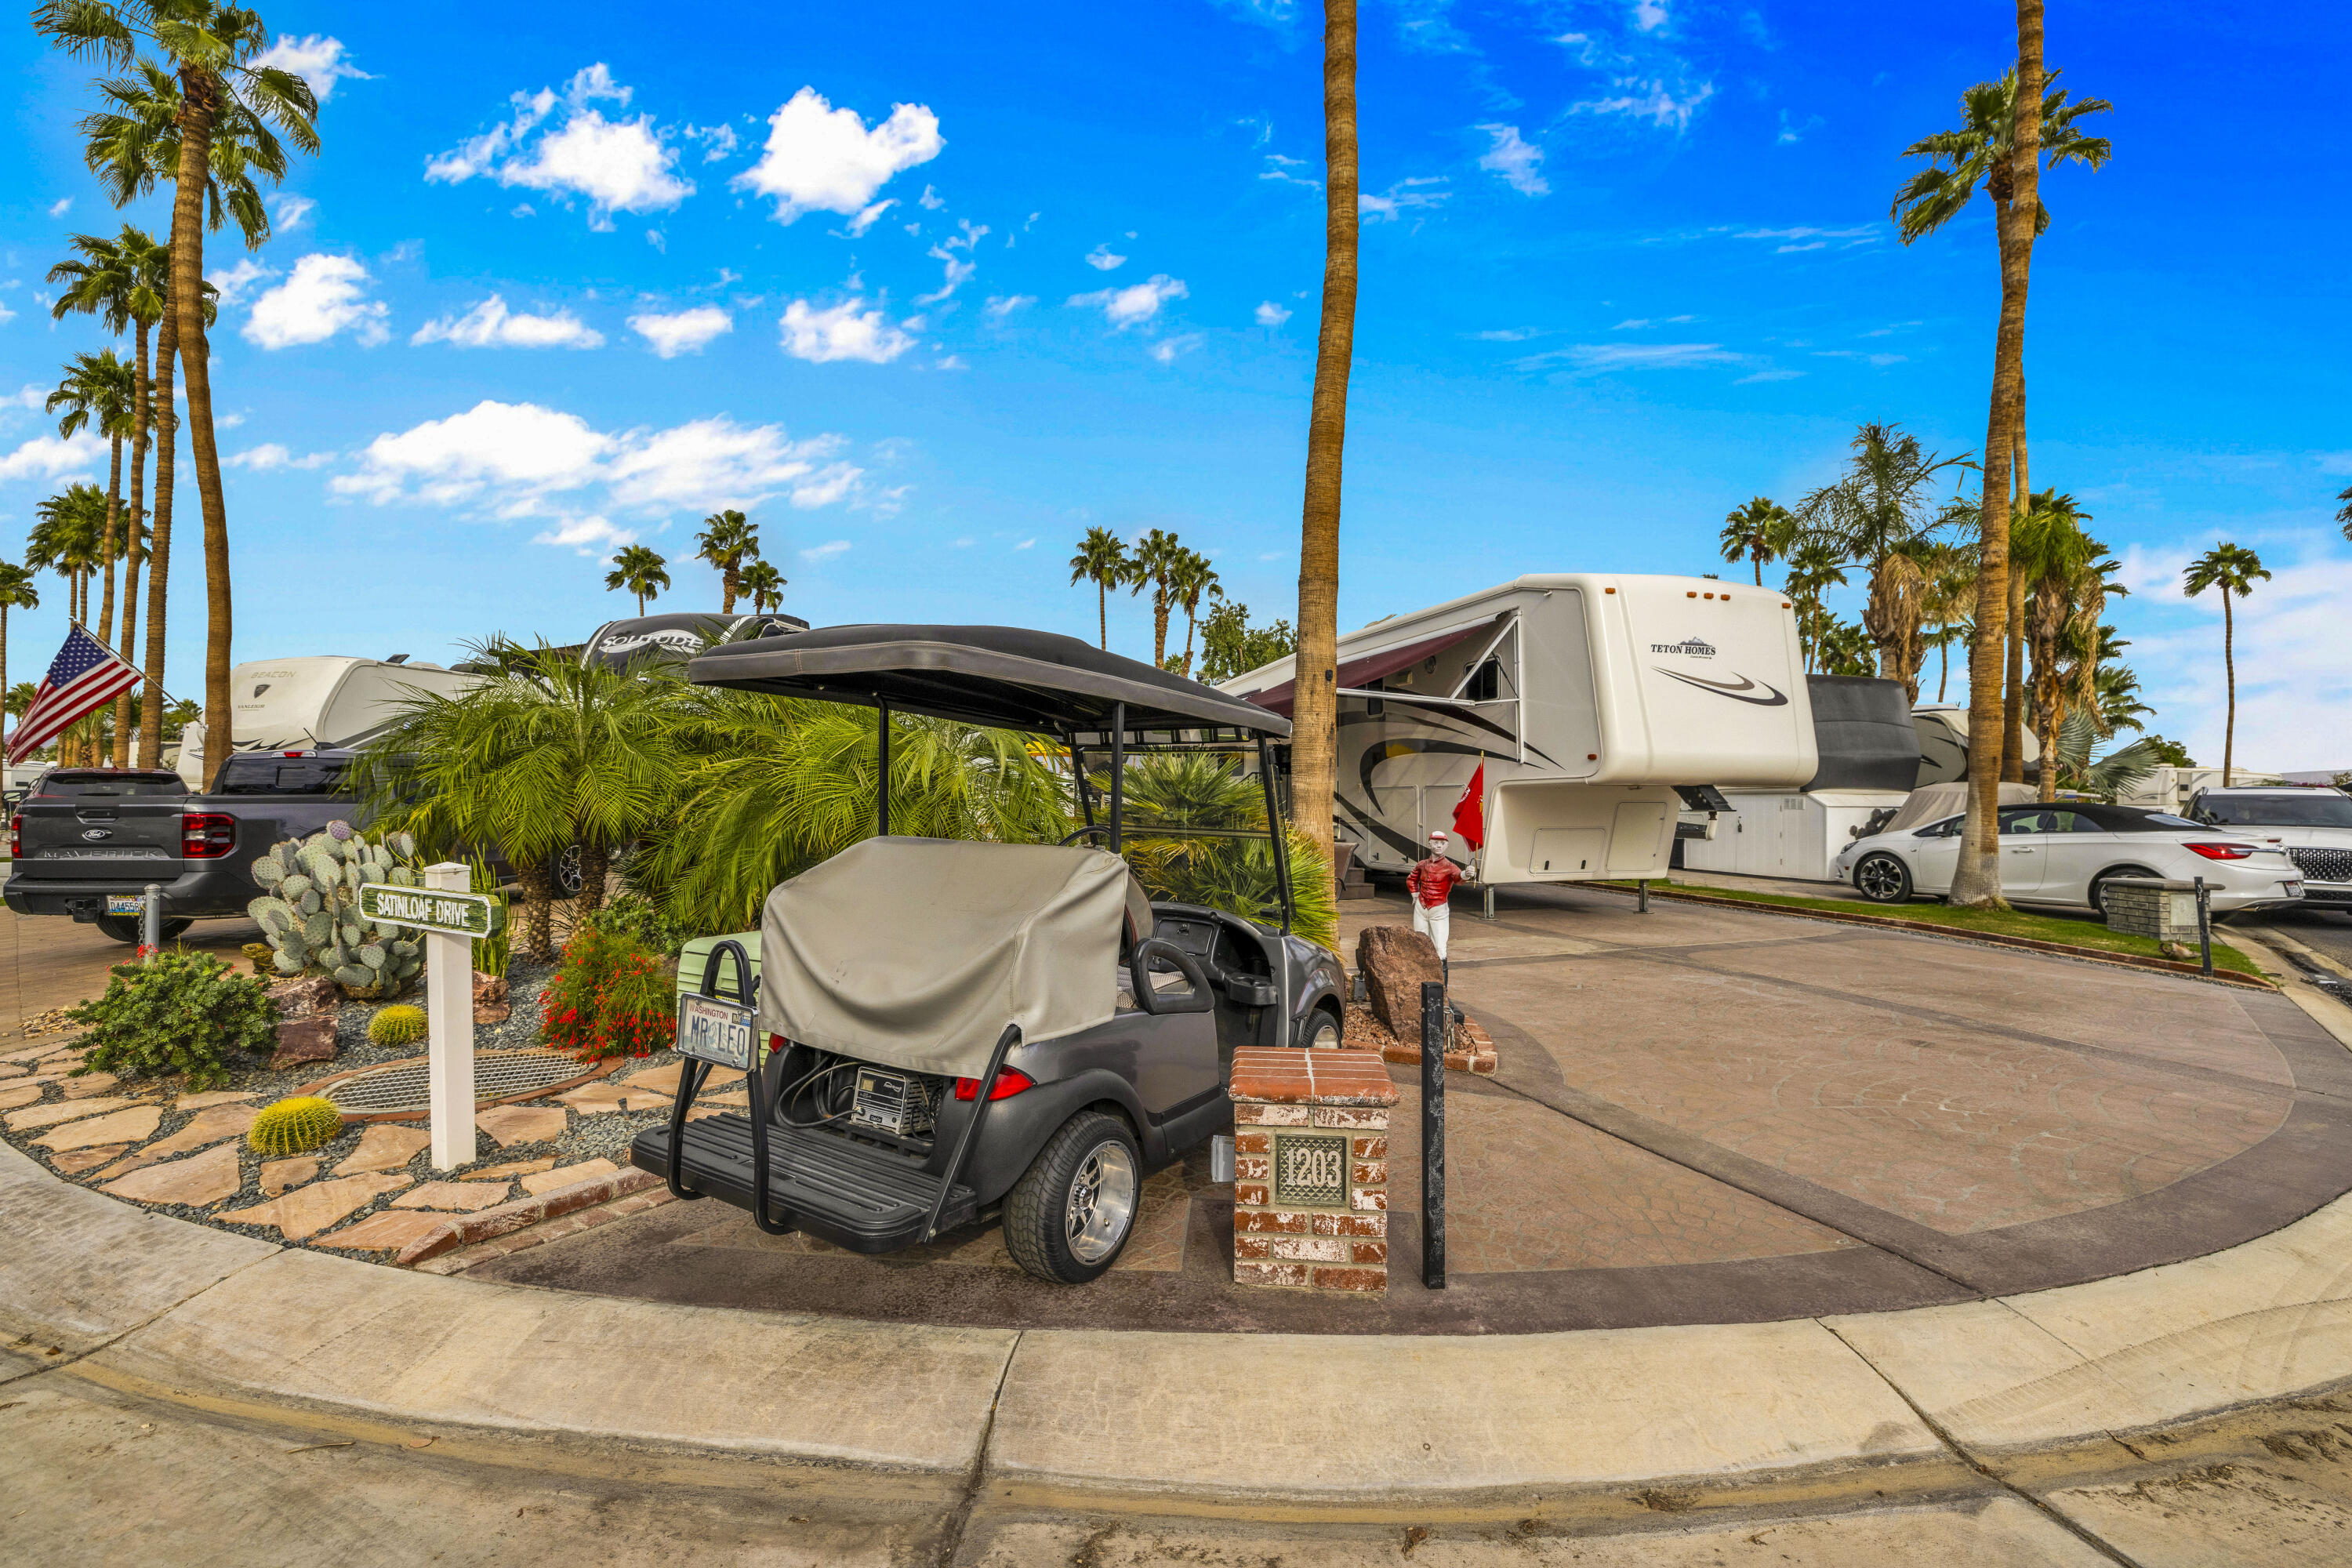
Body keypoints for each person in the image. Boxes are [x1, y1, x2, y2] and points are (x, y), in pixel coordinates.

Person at [1407, 829, 1465, 960]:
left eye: (1442, 843)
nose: (1439, 846)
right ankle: (1422, 976)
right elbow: (1412, 879)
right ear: (1430, 844)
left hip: (1439, 908)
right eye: (1436, 842)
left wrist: (1465, 874)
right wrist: (1415, 894)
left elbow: (1458, 878)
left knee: (1439, 947)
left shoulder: (1450, 866)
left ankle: (1441, 979)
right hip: (1421, 908)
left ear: (1446, 845)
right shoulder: (1422, 864)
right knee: (1420, 943)